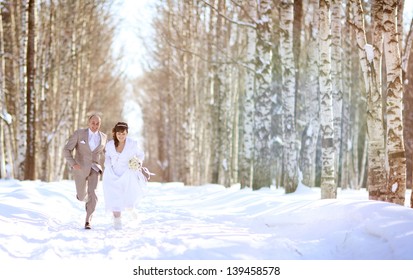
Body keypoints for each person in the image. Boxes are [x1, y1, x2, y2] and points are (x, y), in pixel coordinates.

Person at [102, 122, 150, 230]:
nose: (121, 136)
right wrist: (107, 164)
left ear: (126, 133)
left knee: (128, 200)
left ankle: (131, 209)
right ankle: (117, 221)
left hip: (127, 175)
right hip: (112, 175)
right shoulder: (109, 145)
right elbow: (107, 156)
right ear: (115, 133)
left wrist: (137, 162)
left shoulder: (132, 144)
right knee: (114, 198)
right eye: (119, 133)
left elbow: (140, 154)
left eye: (123, 133)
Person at [63, 114, 107, 230]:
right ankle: (85, 198)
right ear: (88, 122)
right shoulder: (79, 134)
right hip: (80, 169)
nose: (95, 126)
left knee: (94, 193)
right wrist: (73, 163)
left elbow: (108, 154)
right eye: (93, 123)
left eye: (97, 123)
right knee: (82, 196)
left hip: (95, 169)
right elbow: (66, 150)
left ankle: (88, 219)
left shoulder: (103, 137)